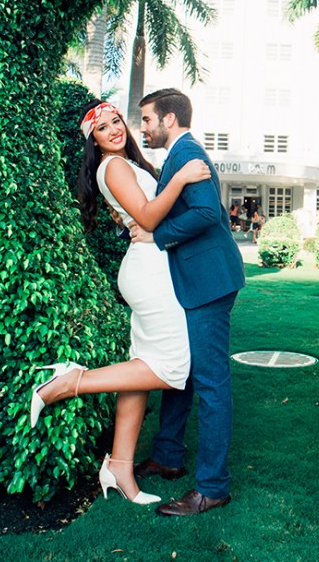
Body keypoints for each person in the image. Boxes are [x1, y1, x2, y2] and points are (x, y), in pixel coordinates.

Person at [29, 100, 211, 506]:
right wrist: (179, 178)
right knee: (171, 368)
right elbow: (147, 219)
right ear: (92, 141)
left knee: (139, 370)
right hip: (149, 273)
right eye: (102, 128)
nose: (114, 130)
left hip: (152, 267)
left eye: (116, 122)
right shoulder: (112, 166)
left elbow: (147, 218)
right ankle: (67, 383)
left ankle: (120, 467)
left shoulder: (128, 164)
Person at [133, 88, 246, 517]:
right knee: (182, 370)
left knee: (212, 383)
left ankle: (212, 488)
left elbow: (206, 214)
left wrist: (155, 236)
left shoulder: (186, 154)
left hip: (209, 282)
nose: (142, 127)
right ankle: (167, 455)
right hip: (197, 280)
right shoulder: (178, 155)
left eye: (146, 120)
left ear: (169, 120)